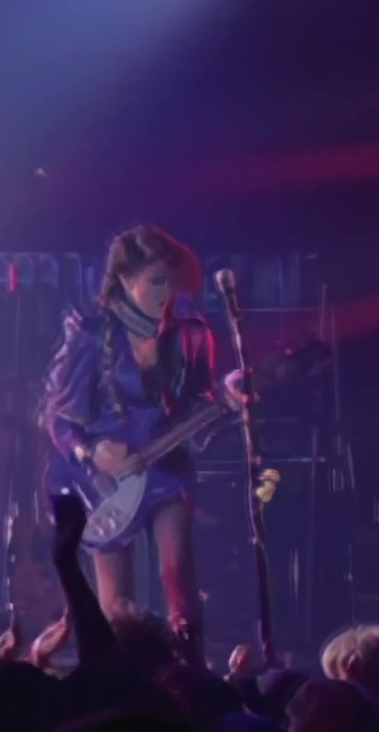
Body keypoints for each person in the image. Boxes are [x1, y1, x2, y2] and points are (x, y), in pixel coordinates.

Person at [42, 225, 239, 658]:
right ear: (125, 279)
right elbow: (57, 417)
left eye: (171, 281)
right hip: (101, 480)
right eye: (156, 281)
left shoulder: (191, 333)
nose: (166, 293)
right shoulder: (90, 334)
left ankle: (189, 671)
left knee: (178, 573)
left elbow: (200, 411)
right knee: (117, 604)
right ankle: (118, 676)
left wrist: (226, 405)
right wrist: (90, 452)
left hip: (166, 466)